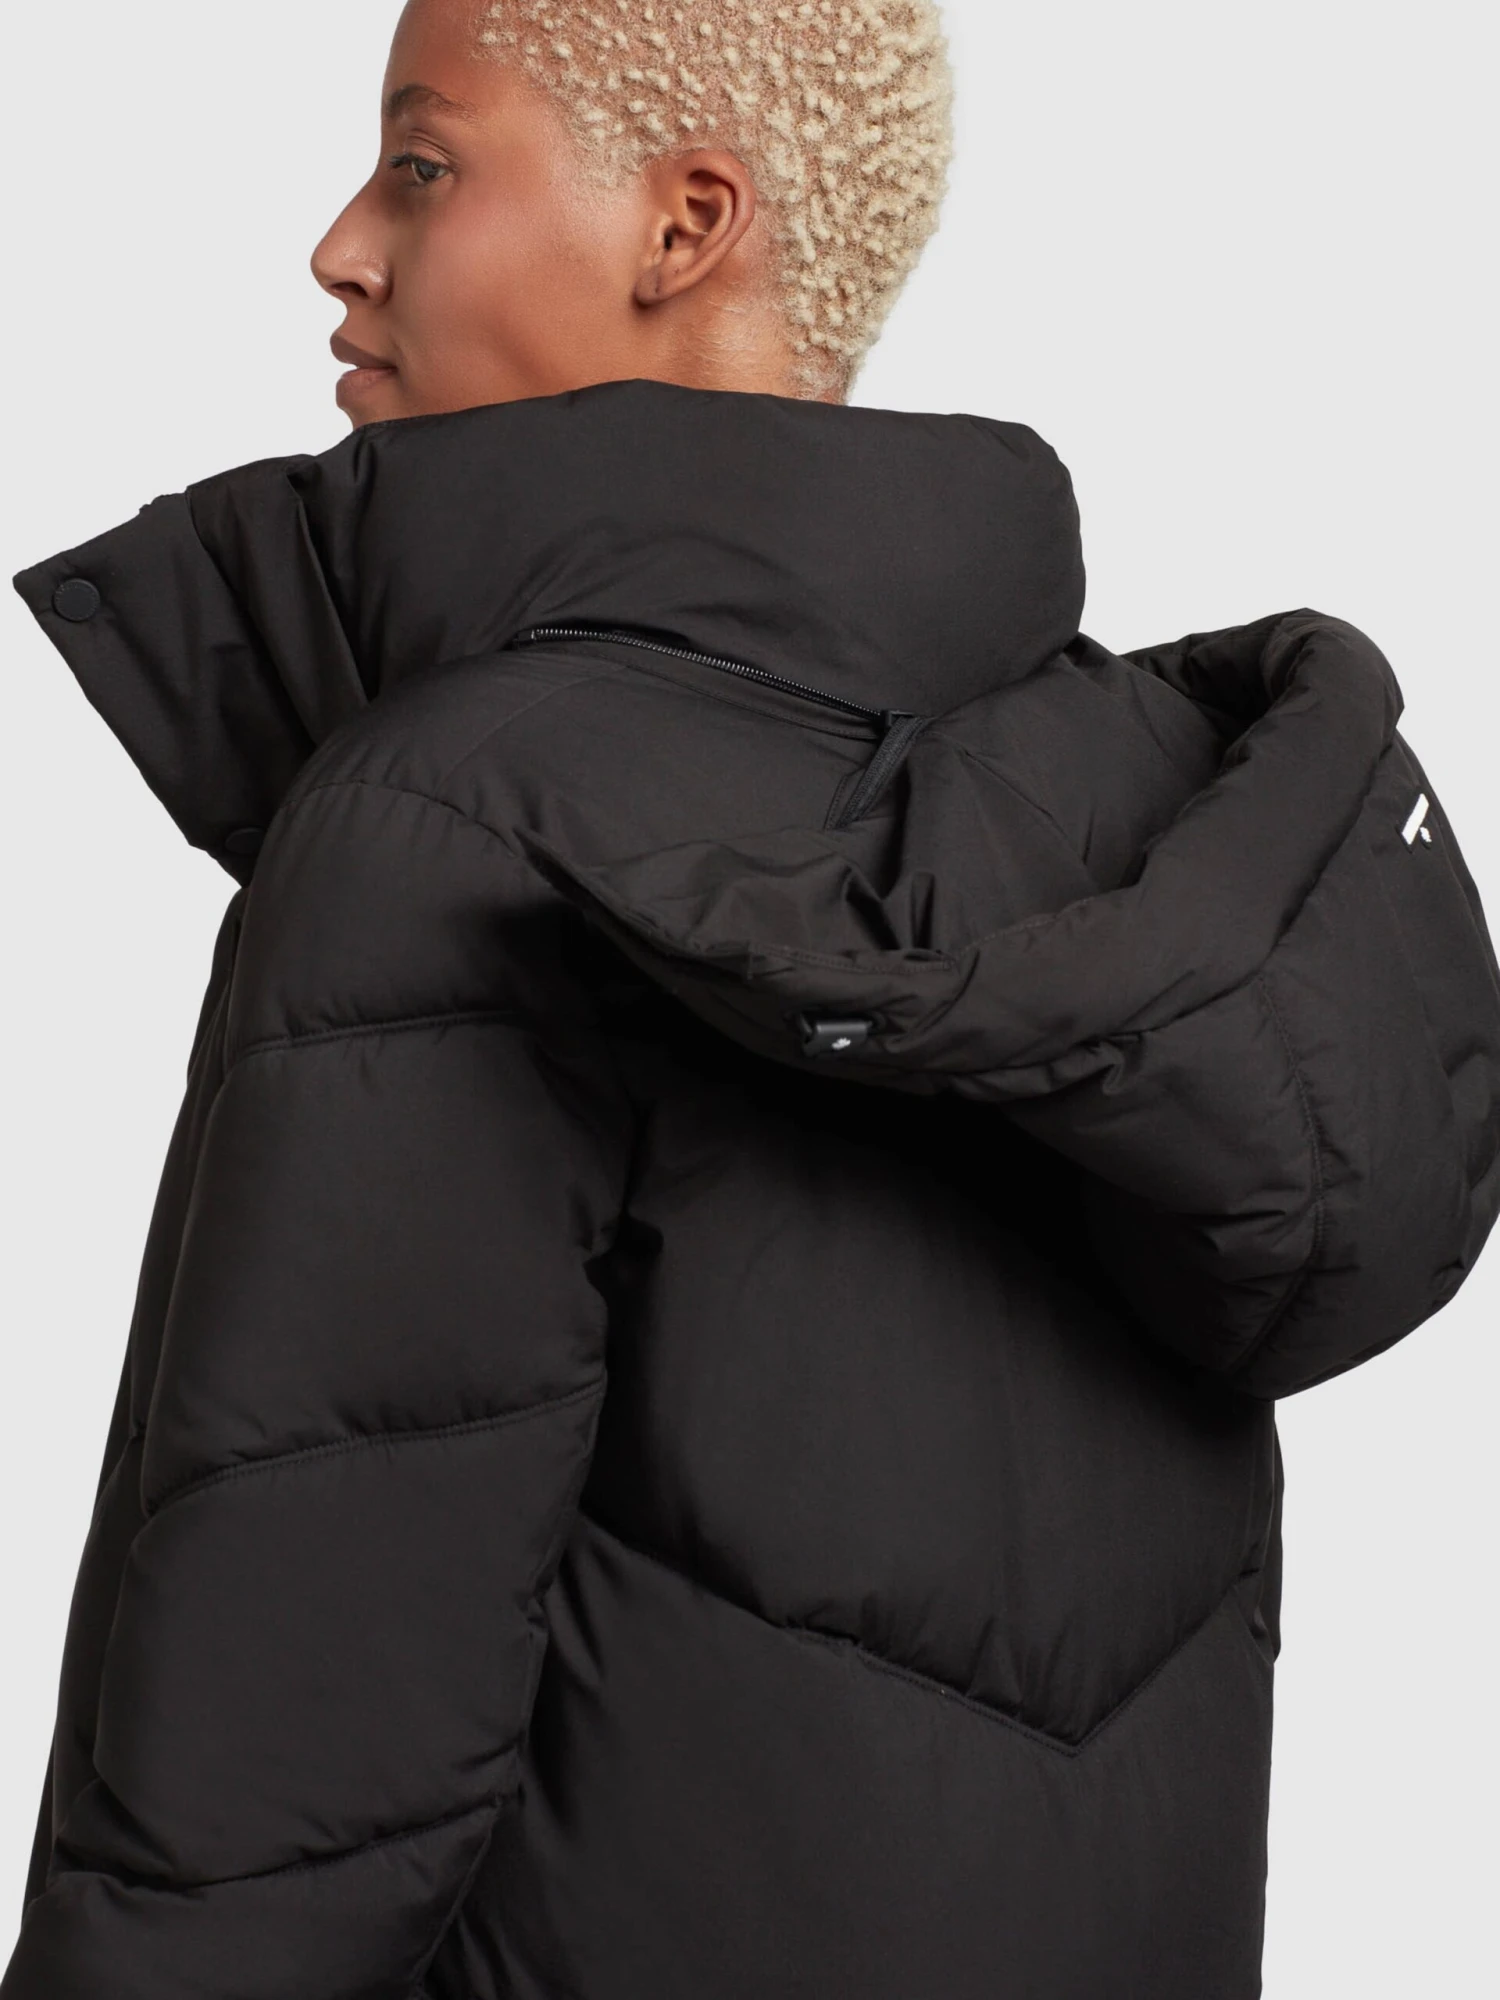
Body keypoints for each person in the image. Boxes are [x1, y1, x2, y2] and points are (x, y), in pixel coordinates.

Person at [5, 1, 1498, 1994]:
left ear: (686, 225)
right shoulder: (1125, 824)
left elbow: (270, 1812)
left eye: (424, 165)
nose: (342, 245)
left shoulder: (451, 823)